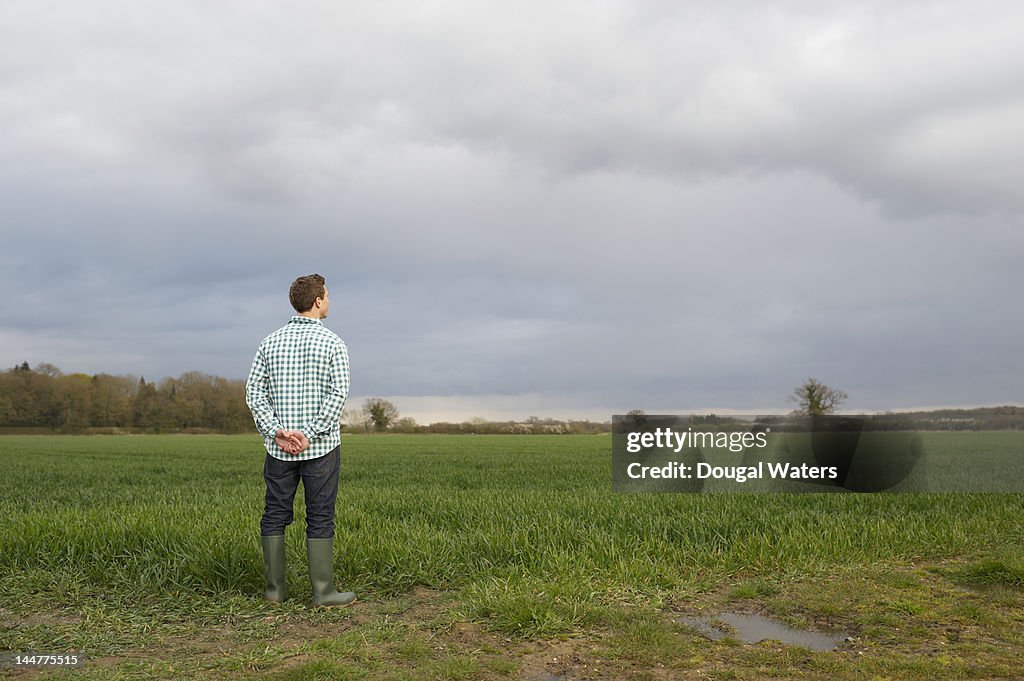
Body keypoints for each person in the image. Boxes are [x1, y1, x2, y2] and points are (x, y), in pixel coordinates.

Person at [245, 273, 356, 606]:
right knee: (320, 516)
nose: (329, 301)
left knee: (274, 514)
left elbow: (254, 391)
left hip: (278, 448)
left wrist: (275, 430)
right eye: (328, 295)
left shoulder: (270, 341)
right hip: (320, 447)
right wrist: (309, 433)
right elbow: (339, 393)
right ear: (318, 300)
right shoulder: (334, 343)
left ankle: (273, 591)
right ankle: (323, 592)